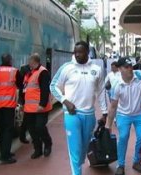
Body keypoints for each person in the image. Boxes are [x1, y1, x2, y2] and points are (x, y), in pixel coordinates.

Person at [50, 41, 108, 175]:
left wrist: (104, 112)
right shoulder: (67, 68)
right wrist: (65, 101)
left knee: (84, 148)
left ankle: (79, 163)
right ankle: (77, 172)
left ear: (87, 52)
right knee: (75, 150)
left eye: (80, 52)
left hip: (89, 115)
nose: (77, 55)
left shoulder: (96, 70)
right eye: (75, 52)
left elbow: (101, 92)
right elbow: (53, 86)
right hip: (72, 115)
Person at [105, 57, 141, 175]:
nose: (130, 69)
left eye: (131, 66)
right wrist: (108, 124)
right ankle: (121, 165)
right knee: (123, 137)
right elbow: (113, 106)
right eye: (126, 67)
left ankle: (136, 161)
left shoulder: (140, 76)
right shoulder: (116, 84)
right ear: (119, 69)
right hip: (123, 115)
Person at [0, 53, 22, 164]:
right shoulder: (14, 71)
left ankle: (4, 151)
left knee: (1, 128)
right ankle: (5, 156)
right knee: (8, 129)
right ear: (10, 60)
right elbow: (20, 84)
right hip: (8, 105)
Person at [23, 53, 53, 159]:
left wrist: (42, 104)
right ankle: (38, 149)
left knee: (40, 127)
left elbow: (45, 89)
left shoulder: (43, 72)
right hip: (29, 108)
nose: (28, 63)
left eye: (29, 61)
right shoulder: (30, 73)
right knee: (32, 129)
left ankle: (48, 144)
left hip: (40, 107)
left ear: (34, 61)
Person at [18, 64, 31, 144]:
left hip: (25, 99)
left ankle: (22, 136)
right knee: (28, 120)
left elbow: (20, 89)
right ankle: (23, 137)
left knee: (26, 119)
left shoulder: (22, 75)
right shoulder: (28, 75)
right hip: (29, 100)